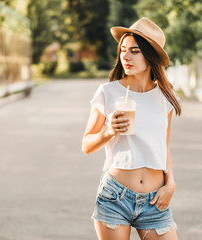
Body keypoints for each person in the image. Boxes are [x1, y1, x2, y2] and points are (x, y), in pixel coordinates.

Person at [82, 17, 182, 240]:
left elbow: (163, 147)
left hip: (155, 200)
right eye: (123, 50)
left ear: (151, 55)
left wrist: (171, 182)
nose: (125, 56)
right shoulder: (107, 93)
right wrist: (109, 131)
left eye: (134, 51)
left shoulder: (165, 97)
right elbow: (86, 145)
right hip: (115, 197)